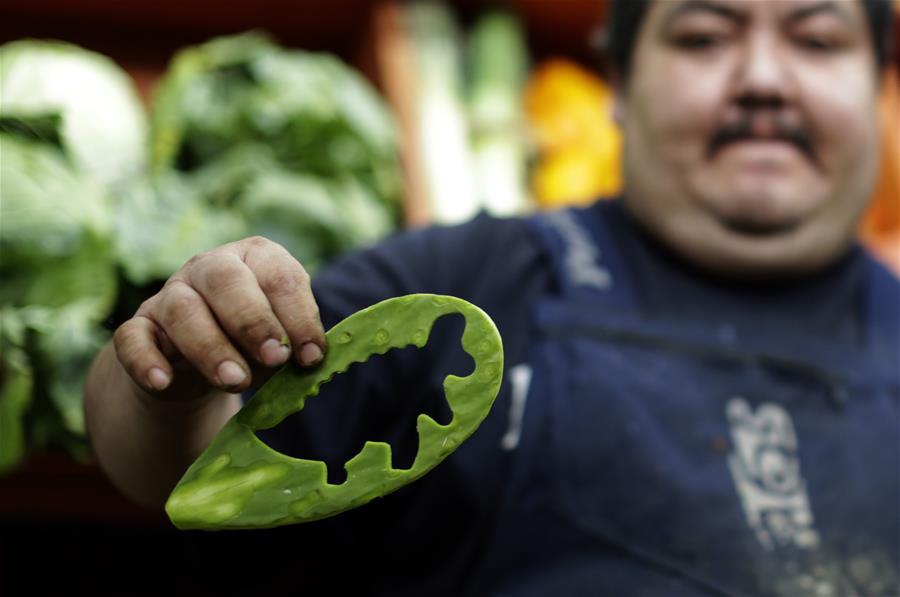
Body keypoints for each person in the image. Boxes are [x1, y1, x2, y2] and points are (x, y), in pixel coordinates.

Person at [85, 0, 899, 594]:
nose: (762, 78)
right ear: (619, 84)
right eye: (704, 37)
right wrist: (173, 378)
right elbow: (188, 463)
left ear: (876, 86)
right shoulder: (462, 275)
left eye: (817, 40)